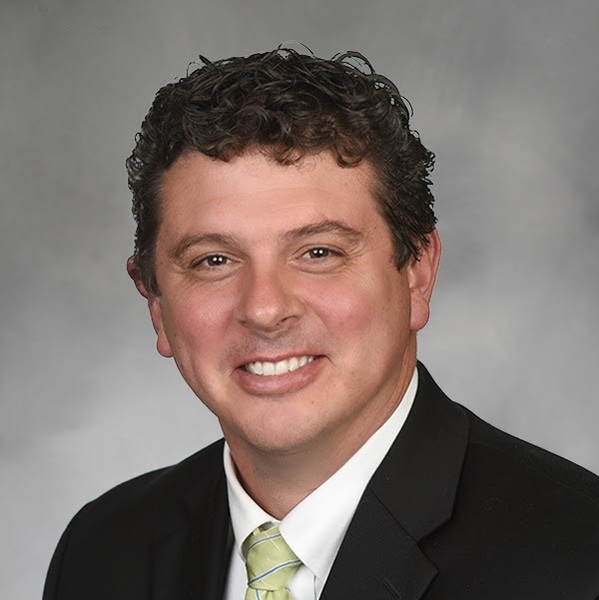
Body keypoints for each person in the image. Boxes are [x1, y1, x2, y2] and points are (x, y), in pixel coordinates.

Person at [43, 48, 599, 600]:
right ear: (155, 303)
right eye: (214, 260)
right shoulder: (102, 553)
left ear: (417, 274)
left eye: (318, 252)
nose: (265, 309)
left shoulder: (579, 558)